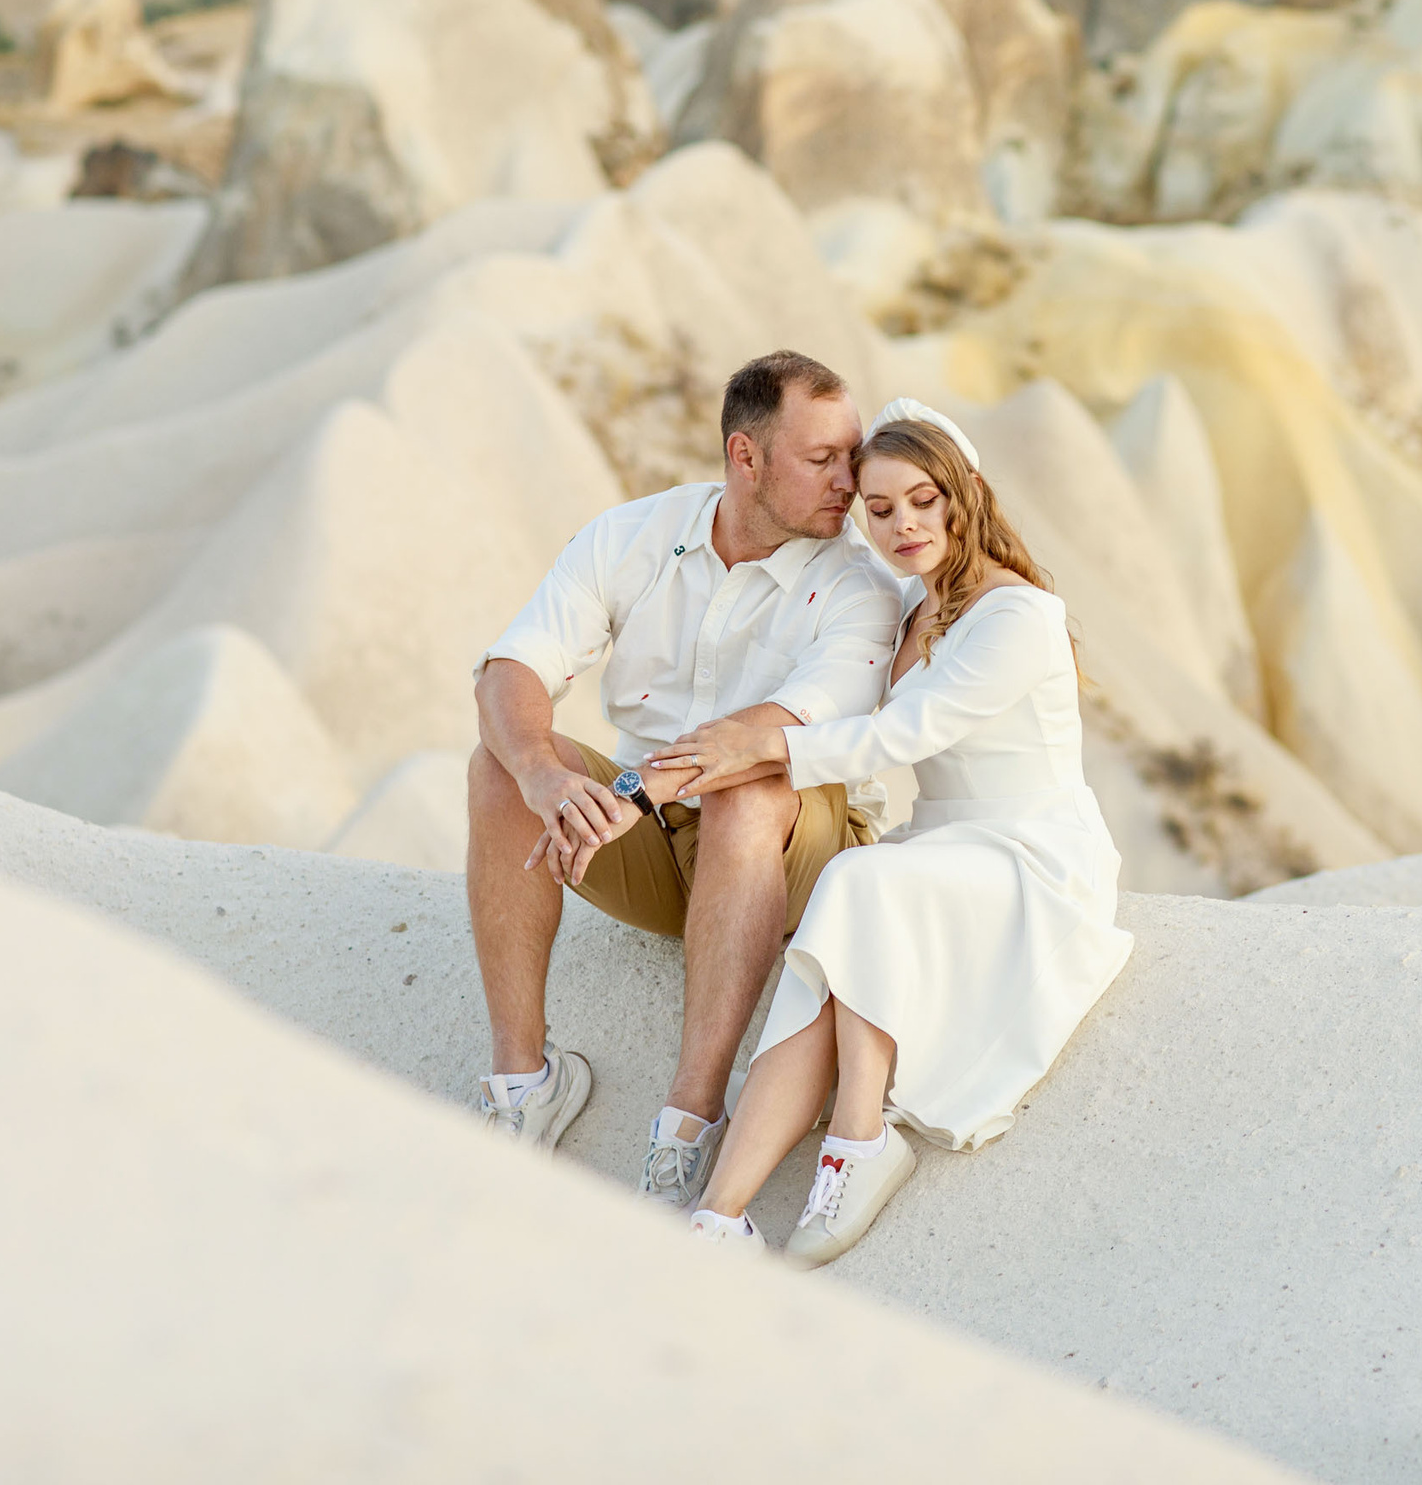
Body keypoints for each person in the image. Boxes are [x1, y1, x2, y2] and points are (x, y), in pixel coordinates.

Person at [647, 399, 1132, 1266]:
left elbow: (903, 735)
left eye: (923, 500)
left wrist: (762, 746)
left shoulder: (1019, 615)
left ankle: (859, 1137)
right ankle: (720, 1215)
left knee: (857, 885)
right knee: (822, 967)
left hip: (1031, 852)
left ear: (966, 493)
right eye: (878, 509)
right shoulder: (912, 603)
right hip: (940, 845)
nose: (903, 524)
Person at [463, 350, 902, 1214]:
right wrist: (547, 776)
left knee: (747, 784)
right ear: (746, 458)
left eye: (852, 455)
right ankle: (524, 1085)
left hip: (800, 851)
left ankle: (689, 1122)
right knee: (501, 763)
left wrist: (625, 795)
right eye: (822, 460)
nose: (849, 483)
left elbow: (766, 734)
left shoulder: (863, 584)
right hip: (662, 846)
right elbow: (508, 670)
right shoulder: (630, 537)